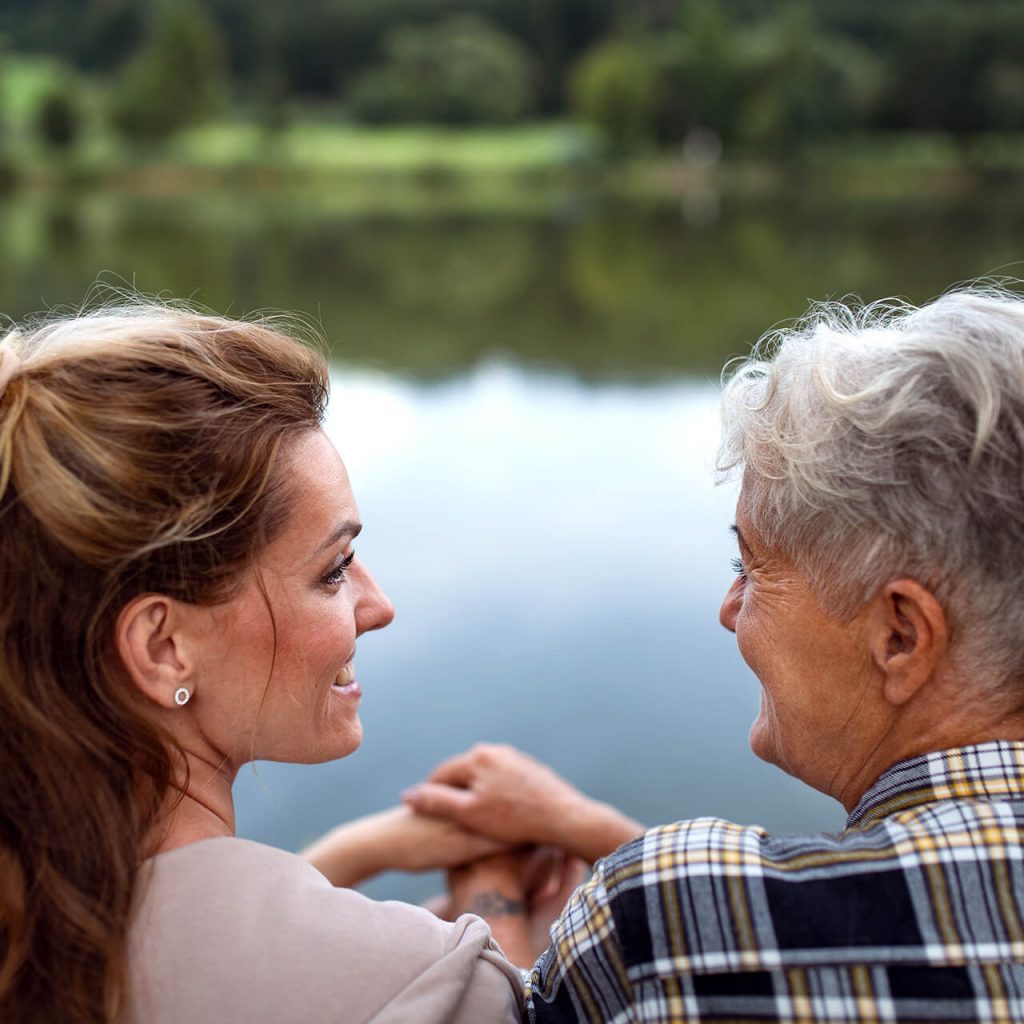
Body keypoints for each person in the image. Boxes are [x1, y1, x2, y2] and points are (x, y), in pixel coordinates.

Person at [407, 286, 1024, 1022]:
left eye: (751, 565)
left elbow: (666, 943)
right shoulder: (690, 918)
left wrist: (490, 895)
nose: (729, 610)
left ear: (901, 636)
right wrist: (586, 826)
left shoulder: (662, 916)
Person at [0, 301, 575, 1024]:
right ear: (163, 648)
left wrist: (356, 852)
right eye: (334, 570)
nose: (379, 605)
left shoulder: (38, 908)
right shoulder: (420, 978)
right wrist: (499, 903)